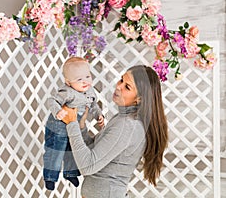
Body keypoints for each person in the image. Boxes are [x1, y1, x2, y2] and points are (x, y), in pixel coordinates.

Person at [61, 65, 168, 198]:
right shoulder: (123, 119)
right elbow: (94, 153)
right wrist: (81, 127)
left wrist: (71, 124)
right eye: (121, 80)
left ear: (139, 99)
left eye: (127, 87)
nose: (119, 86)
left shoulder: (127, 126)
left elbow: (87, 166)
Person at [43, 56, 104, 191]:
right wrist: (58, 111)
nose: (85, 82)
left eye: (88, 76)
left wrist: (99, 114)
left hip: (75, 126)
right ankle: (50, 177)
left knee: (72, 150)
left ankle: (70, 173)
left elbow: (94, 105)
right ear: (68, 82)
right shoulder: (67, 92)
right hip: (58, 125)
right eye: (79, 79)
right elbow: (51, 101)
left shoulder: (90, 91)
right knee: (56, 151)